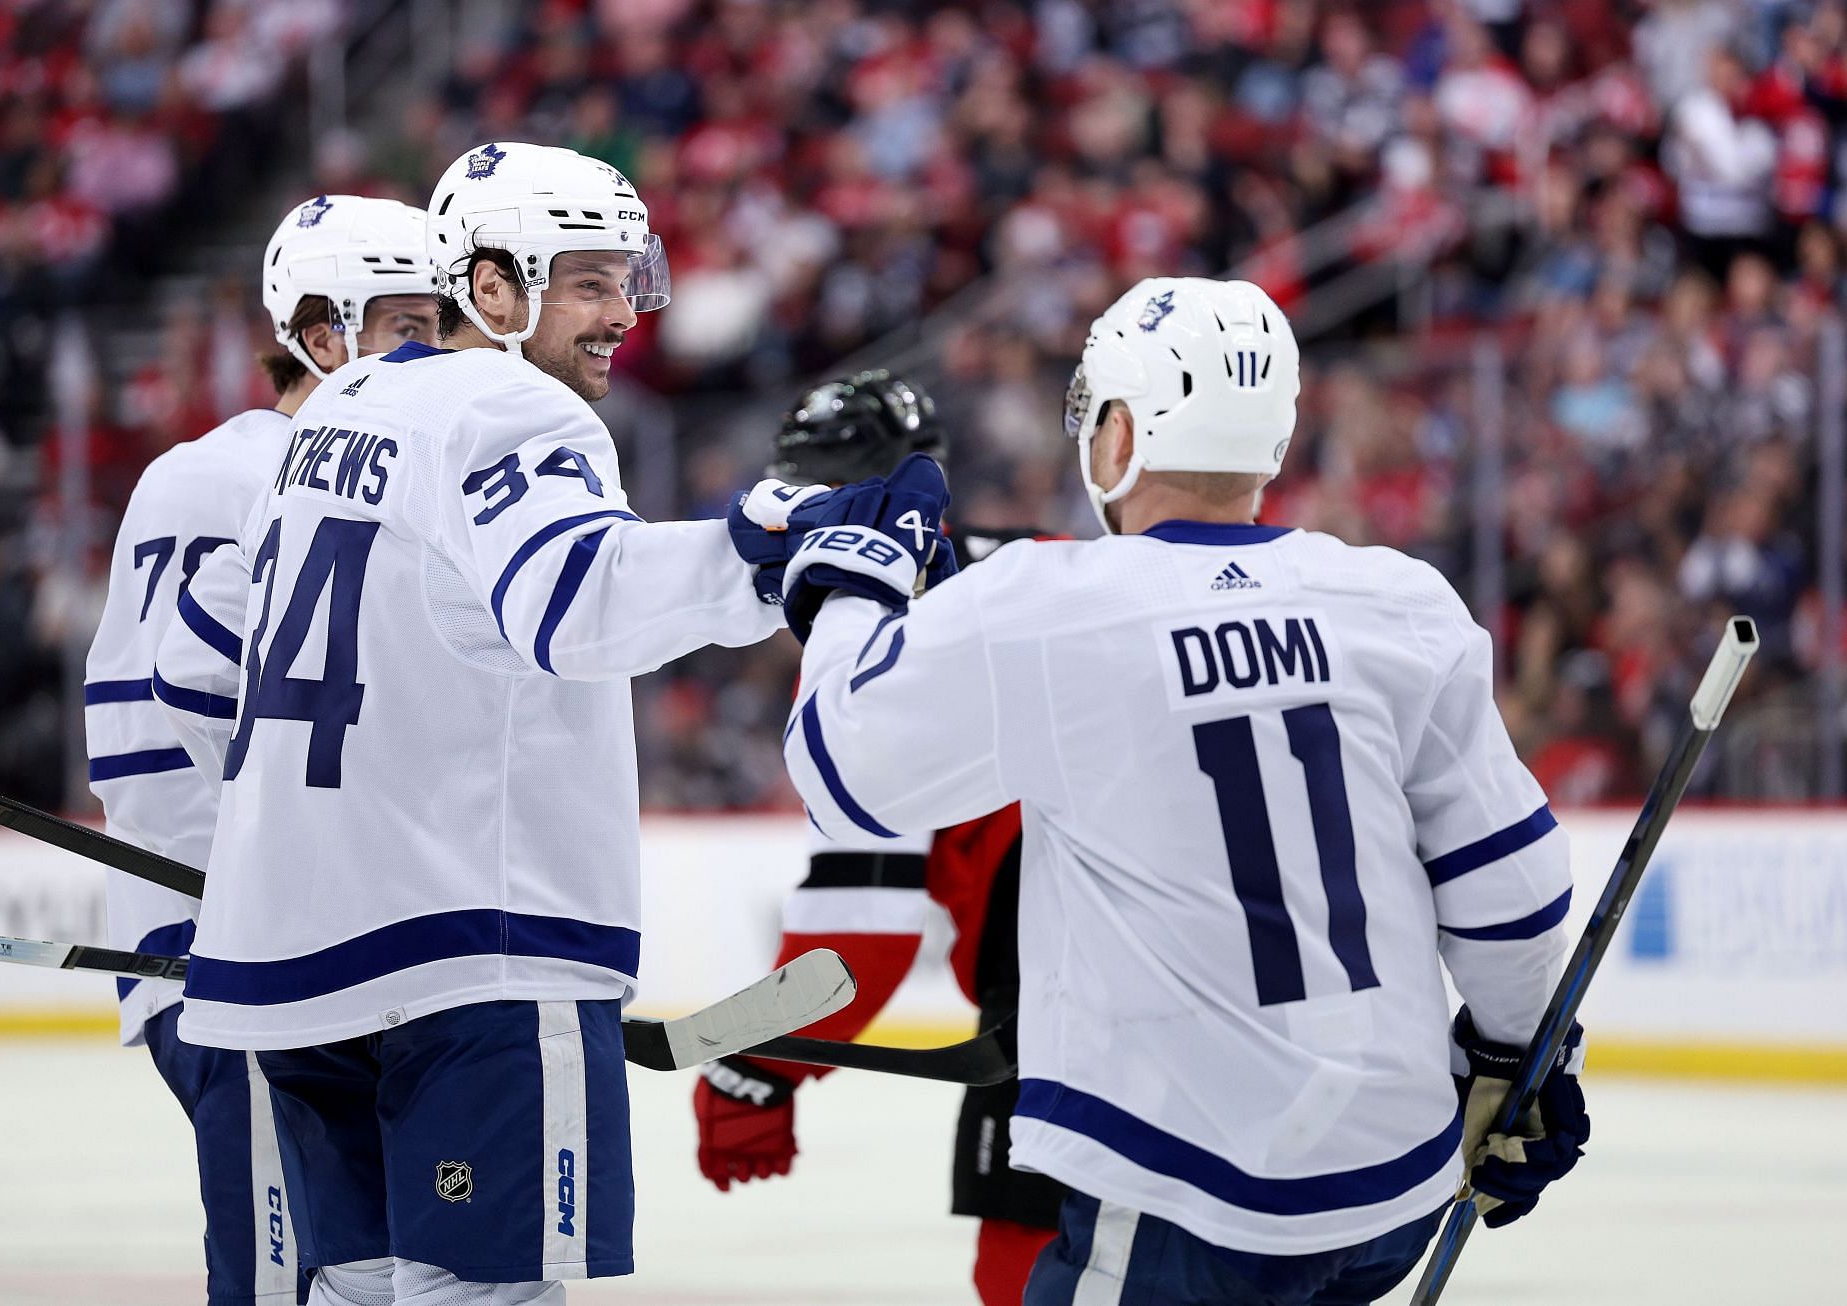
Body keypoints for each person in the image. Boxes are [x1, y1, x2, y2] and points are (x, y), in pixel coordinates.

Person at [776, 278, 1590, 1305]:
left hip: (1178, 1180)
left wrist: (853, 578)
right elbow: (1511, 891)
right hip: (1391, 1184)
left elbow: (842, 767)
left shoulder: (1047, 604)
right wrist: (1515, 1059)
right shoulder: (1398, 600)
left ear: (1121, 430)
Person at [147, 142, 856, 1306]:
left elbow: (220, 672)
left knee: (357, 1291)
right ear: (490, 286)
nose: (624, 312)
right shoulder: (516, 405)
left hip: (289, 956)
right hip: (469, 950)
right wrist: (767, 552)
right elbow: (574, 604)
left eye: (628, 280)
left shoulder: (336, 411)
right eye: (588, 281)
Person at [81, 192, 438, 1306]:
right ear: (322, 332)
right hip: (223, 952)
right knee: (283, 1276)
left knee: (360, 1274)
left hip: (319, 957)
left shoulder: (381, 472)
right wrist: (243, 903)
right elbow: (149, 739)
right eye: (408, 326)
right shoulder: (219, 477)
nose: (437, 356)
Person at [693, 369, 1067, 1306]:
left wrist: (748, 1071)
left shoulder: (878, 620)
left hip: (1065, 991)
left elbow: (858, 946)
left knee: (1028, 1272)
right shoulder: (1052, 559)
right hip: (1236, 967)